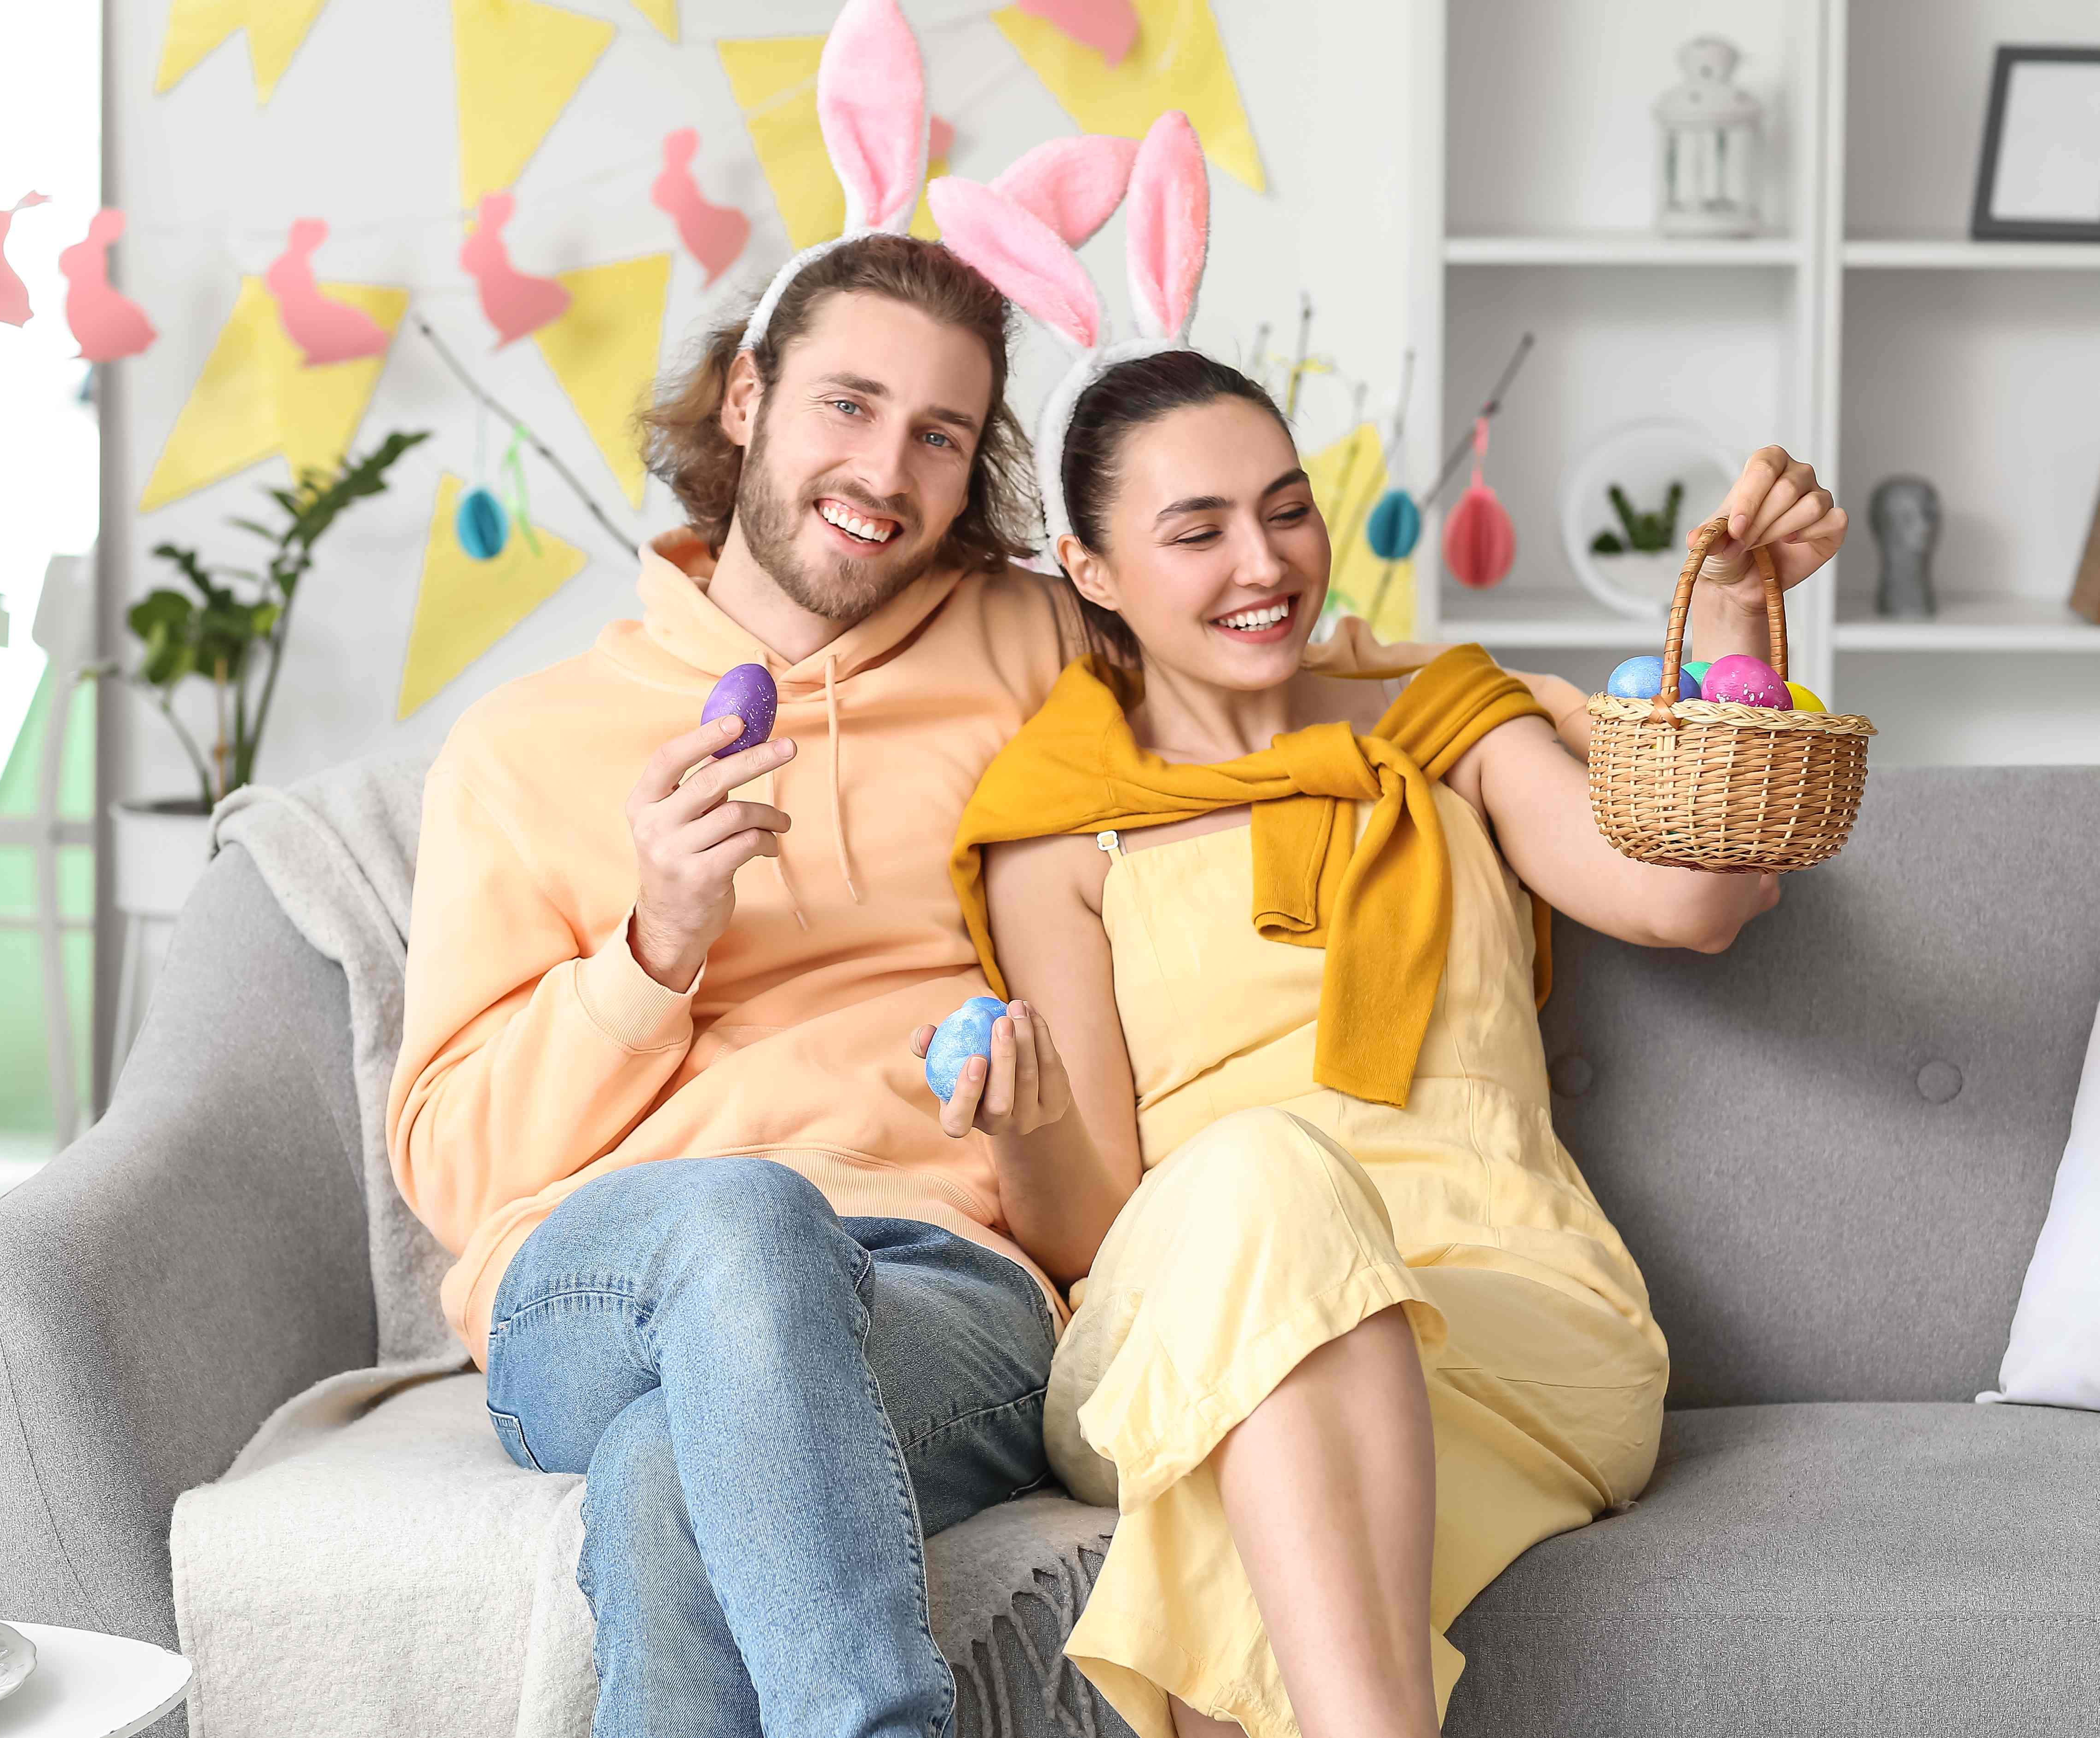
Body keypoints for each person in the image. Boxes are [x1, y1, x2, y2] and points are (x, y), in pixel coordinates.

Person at [924, 121, 1847, 1738]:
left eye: (1284, 510)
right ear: (1089, 568)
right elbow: (1087, 1232)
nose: (1263, 562)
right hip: (1185, 1310)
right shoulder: (1057, 817)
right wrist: (1033, 1127)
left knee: (1241, 1515)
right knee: (1268, 1178)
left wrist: (1728, 619)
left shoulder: (1440, 715)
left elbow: (1686, 901)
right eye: (1195, 529)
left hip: (1502, 1310)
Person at [385, 8, 1084, 1734]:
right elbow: (453, 1168)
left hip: (944, 1285)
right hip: (596, 1280)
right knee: (735, 1217)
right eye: (849, 402)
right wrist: (651, 944)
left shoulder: (1034, 652)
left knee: (665, 1483)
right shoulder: (526, 739)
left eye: (942, 432)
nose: (886, 471)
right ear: (752, 395)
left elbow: (1284, 653)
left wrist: (1601, 710)